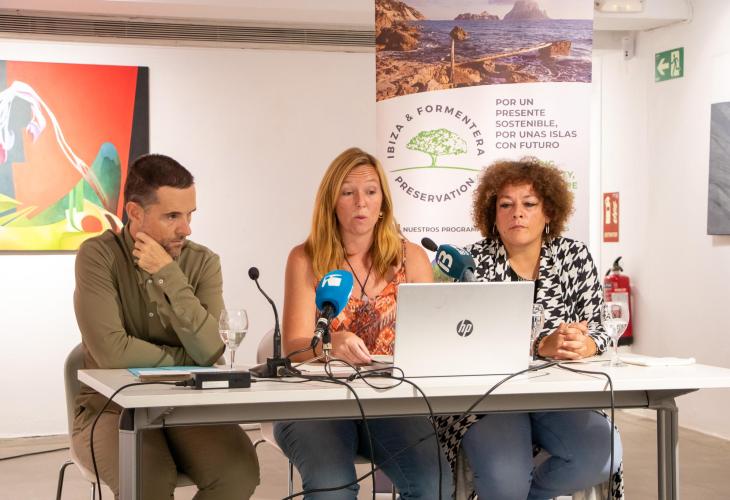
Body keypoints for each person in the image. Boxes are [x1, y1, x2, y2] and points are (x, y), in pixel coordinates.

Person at [72, 154, 259, 499]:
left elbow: (211, 349)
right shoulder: (98, 256)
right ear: (134, 212)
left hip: (186, 403)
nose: (186, 229)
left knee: (239, 472)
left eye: (190, 215)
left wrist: (168, 275)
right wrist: (188, 360)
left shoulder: (203, 262)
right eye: (172, 216)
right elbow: (112, 353)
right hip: (111, 408)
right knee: (147, 479)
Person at [273, 147, 453, 499]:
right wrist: (330, 344)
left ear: (383, 201)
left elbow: (432, 339)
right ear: (331, 202)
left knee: (435, 483)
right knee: (333, 487)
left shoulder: (412, 258)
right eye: (347, 192)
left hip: (389, 401)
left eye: (371, 191)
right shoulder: (305, 258)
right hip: (316, 403)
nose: (361, 203)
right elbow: (293, 346)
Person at [438, 157, 624, 500]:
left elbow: (598, 326)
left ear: (548, 212)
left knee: (602, 453)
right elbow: (461, 342)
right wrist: (538, 347)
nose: (517, 214)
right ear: (492, 214)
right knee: (505, 481)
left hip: (558, 395)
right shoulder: (469, 263)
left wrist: (585, 345)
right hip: (488, 399)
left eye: (529, 204)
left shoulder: (574, 257)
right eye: (505, 205)